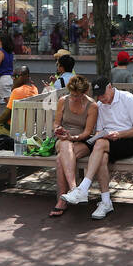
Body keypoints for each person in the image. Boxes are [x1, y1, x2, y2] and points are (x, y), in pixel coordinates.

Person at [60, 77, 133, 220]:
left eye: (103, 94)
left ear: (110, 87)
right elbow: (99, 131)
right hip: (107, 142)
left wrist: (119, 134)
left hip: (127, 140)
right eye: (98, 95)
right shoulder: (100, 104)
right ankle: (106, 202)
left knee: (100, 145)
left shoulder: (127, 98)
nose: (101, 98)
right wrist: (98, 137)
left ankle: (82, 189)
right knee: (100, 156)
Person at [49, 74, 99, 217]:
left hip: (82, 140)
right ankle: (75, 190)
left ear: (85, 93)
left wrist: (73, 137)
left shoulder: (92, 106)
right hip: (63, 139)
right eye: (72, 94)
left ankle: (62, 200)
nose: (74, 98)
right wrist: (58, 129)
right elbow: (57, 122)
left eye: (77, 95)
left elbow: (87, 132)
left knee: (60, 159)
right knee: (65, 144)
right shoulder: (63, 101)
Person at [0, 65, 38, 131]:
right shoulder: (34, 89)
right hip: (27, 128)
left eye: (16, 76)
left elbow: (6, 116)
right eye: (12, 76)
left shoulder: (17, 91)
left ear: (25, 76)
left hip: (12, 129)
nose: (13, 79)